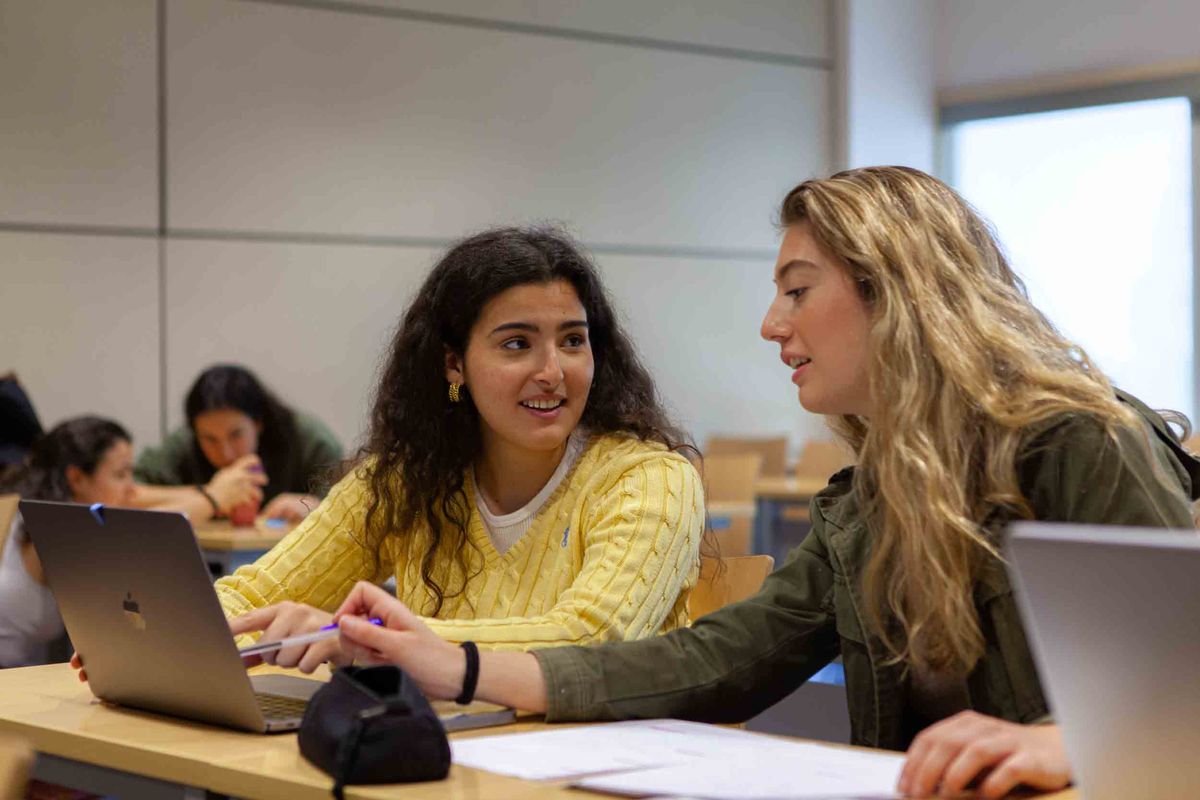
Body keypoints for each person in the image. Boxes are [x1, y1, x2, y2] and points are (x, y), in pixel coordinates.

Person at [321, 168, 1199, 799]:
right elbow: (718, 661)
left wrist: (1065, 741)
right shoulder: (877, 498)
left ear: (895, 294)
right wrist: (461, 666)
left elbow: (1184, 685)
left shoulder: (1085, 440)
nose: (772, 324)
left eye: (797, 289)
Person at [216, 227, 705, 666]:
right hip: (449, 752)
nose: (553, 372)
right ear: (454, 365)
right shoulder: (405, 479)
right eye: (517, 344)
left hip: (601, 759)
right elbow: (245, 600)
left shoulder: (650, 478)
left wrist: (378, 640)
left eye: (573, 341)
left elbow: (595, 638)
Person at [0, 416, 136, 667]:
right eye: (120, 474)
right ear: (76, 478)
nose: (132, 488)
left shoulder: (29, 510)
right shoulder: (69, 528)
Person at [133, 365, 342, 523]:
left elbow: (349, 509)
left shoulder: (310, 441)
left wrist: (313, 506)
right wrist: (213, 494)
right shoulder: (184, 443)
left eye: (236, 435)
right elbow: (127, 493)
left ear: (258, 423)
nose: (225, 452)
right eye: (210, 439)